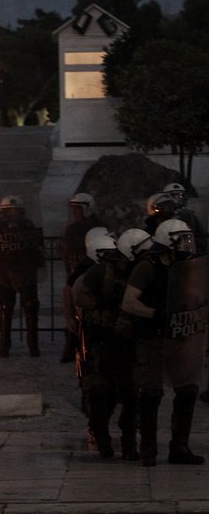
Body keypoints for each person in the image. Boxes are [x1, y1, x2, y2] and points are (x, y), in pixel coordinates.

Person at [123, 219, 205, 467]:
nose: (186, 245)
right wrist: (156, 314)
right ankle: (148, 449)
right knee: (151, 393)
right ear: (168, 242)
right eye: (181, 240)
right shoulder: (148, 268)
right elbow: (129, 302)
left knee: (188, 389)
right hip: (153, 336)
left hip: (181, 336)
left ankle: (179, 447)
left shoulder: (187, 267)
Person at [72, 233, 138, 460]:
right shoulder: (99, 272)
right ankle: (102, 440)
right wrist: (102, 305)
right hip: (101, 340)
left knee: (130, 395)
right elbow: (80, 298)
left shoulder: (135, 272)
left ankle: (129, 443)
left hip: (126, 340)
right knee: (101, 394)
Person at [0, 196, 45, 358]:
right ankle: (6, 346)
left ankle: (32, 346)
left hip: (23, 272)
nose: (13, 214)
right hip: (9, 272)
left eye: (15, 211)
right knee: (7, 308)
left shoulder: (27, 226)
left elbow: (37, 246)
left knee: (29, 309)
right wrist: (3, 252)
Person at [59, 193, 106, 363]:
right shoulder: (72, 229)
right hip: (76, 270)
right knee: (70, 302)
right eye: (74, 209)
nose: (75, 212)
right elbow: (65, 250)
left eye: (78, 209)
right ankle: (71, 342)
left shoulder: (99, 227)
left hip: (92, 271)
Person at [164, 182, 207, 255]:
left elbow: (203, 239)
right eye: (174, 195)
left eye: (181, 195)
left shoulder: (189, 217)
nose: (178, 199)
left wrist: (189, 241)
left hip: (188, 255)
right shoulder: (162, 216)